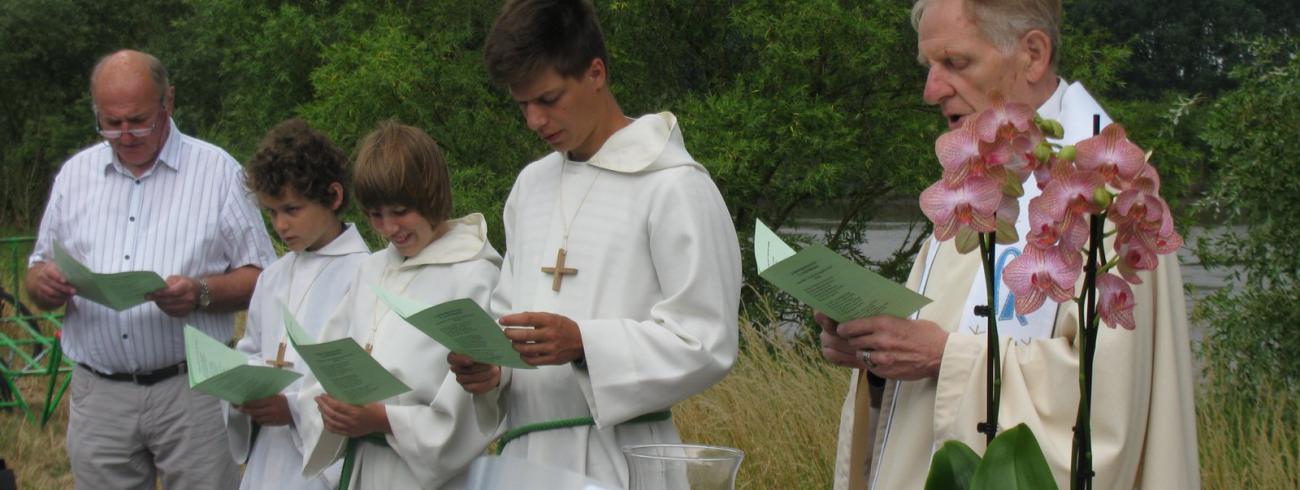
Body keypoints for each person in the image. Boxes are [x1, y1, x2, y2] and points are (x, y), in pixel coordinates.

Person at [820, 1, 1200, 488]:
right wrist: (875, 353)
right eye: (929, 67)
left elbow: (1107, 415)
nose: (930, 91)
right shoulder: (976, 185)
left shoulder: (1112, 198)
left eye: (955, 63)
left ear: (1033, 54)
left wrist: (944, 358)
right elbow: (928, 354)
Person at [448, 0, 743, 486]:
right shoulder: (530, 186)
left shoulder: (672, 185)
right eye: (522, 105)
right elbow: (508, 319)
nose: (534, 122)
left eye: (548, 99)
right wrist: (490, 369)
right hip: (524, 460)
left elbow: (707, 340)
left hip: (623, 457)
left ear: (596, 73)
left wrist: (585, 343)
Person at [24, 50, 276, 489]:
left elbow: (264, 278)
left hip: (192, 388)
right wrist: (43, 284)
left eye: (138, 121)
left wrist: (200, 292)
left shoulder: (216, 172)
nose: (124, 135)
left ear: (169, 102)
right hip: (98, 393)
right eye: (110, 123)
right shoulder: (75, 175)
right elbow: (37, 267)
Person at [295, 121, 502, 489]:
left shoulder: (473, 277)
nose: (389, 228)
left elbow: (472, 405)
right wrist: (333, 408)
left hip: (425, 475)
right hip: (363, 465)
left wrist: (382, 419)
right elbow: (326, 360)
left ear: (431, 196)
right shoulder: (371, 270)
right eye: (376, 215)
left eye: (401, 211)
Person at [226, 118, 370, 490]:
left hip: (320, 462)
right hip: (267, 456)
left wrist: (291, 407)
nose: (281, 226)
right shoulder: (273, 276)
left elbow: (360, 374)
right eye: (271, 212)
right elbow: (254, 349)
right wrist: (243, 387)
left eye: (292, 209)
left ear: (333, 197)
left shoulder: (365, 273)